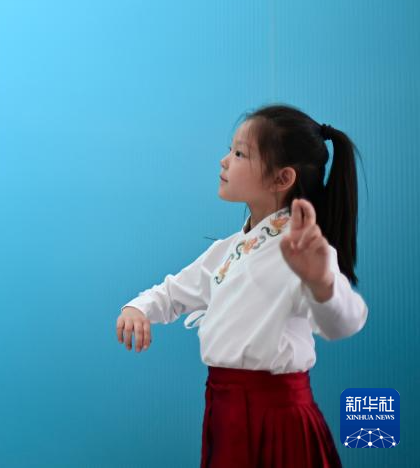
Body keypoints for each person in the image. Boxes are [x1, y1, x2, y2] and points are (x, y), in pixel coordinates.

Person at [116, 105, 367, 467]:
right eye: (230, 150)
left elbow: (344, 323)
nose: (224, 161)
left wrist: (322, 281)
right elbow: (172, 292)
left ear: (282, 178)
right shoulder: (230, 249)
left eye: (239, 154)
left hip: (277, 418)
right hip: (225, 411)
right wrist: (138, 308)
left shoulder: (304, 252)